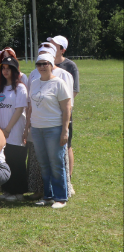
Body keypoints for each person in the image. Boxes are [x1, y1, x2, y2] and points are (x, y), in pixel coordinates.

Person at [27, 51, 72, 208]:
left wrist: (65, 130)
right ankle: (48, 195)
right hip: (37, 129)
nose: (42, 67)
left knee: (56, 163)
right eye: (39, 64)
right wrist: (28, 126)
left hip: (54, 128)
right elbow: (31, 107)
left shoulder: (59, 83)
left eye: (45, 64)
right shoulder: (34, 83)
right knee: (43, 164)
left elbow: (67, 108)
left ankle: (61, 197)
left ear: (52, 65)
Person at [0, 56, 28, 202]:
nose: (5, 71)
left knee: (17, 159)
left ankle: (18, 192)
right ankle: (8, 190)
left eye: (8, 68)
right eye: (3, 68)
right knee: (6, 160)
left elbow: (19, 110)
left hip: (14, 130)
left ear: (14, 70)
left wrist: (7, 129)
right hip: (1, 130)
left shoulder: (20, 87)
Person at [48, 35, 79, 187]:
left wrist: (64, 109)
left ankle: (68, 180)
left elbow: (74, 91)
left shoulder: (70, 66)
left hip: (64, 112)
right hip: (47, 113)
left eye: (54, 45)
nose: (50, 46)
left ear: (62, 49)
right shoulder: (44, 63)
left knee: (66, 145)